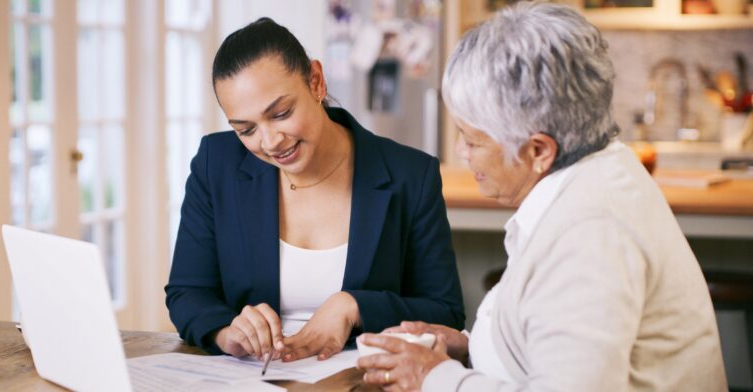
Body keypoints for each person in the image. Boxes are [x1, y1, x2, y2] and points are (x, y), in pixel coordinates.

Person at [356, 3, 726, 391]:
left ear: (538, 152)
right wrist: (469, 349)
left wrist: (436, 378)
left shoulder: (589, 237)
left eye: (472, 139)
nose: (462, 152)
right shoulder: (597, 168)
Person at [165, 17, 465, 363]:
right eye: (245, 130)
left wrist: (354, 306)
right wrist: (226, 332)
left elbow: (446, 313)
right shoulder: (215, 164)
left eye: (281, 113)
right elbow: (187, 292)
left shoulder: (410, 175)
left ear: (316, 82)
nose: (270, 142)